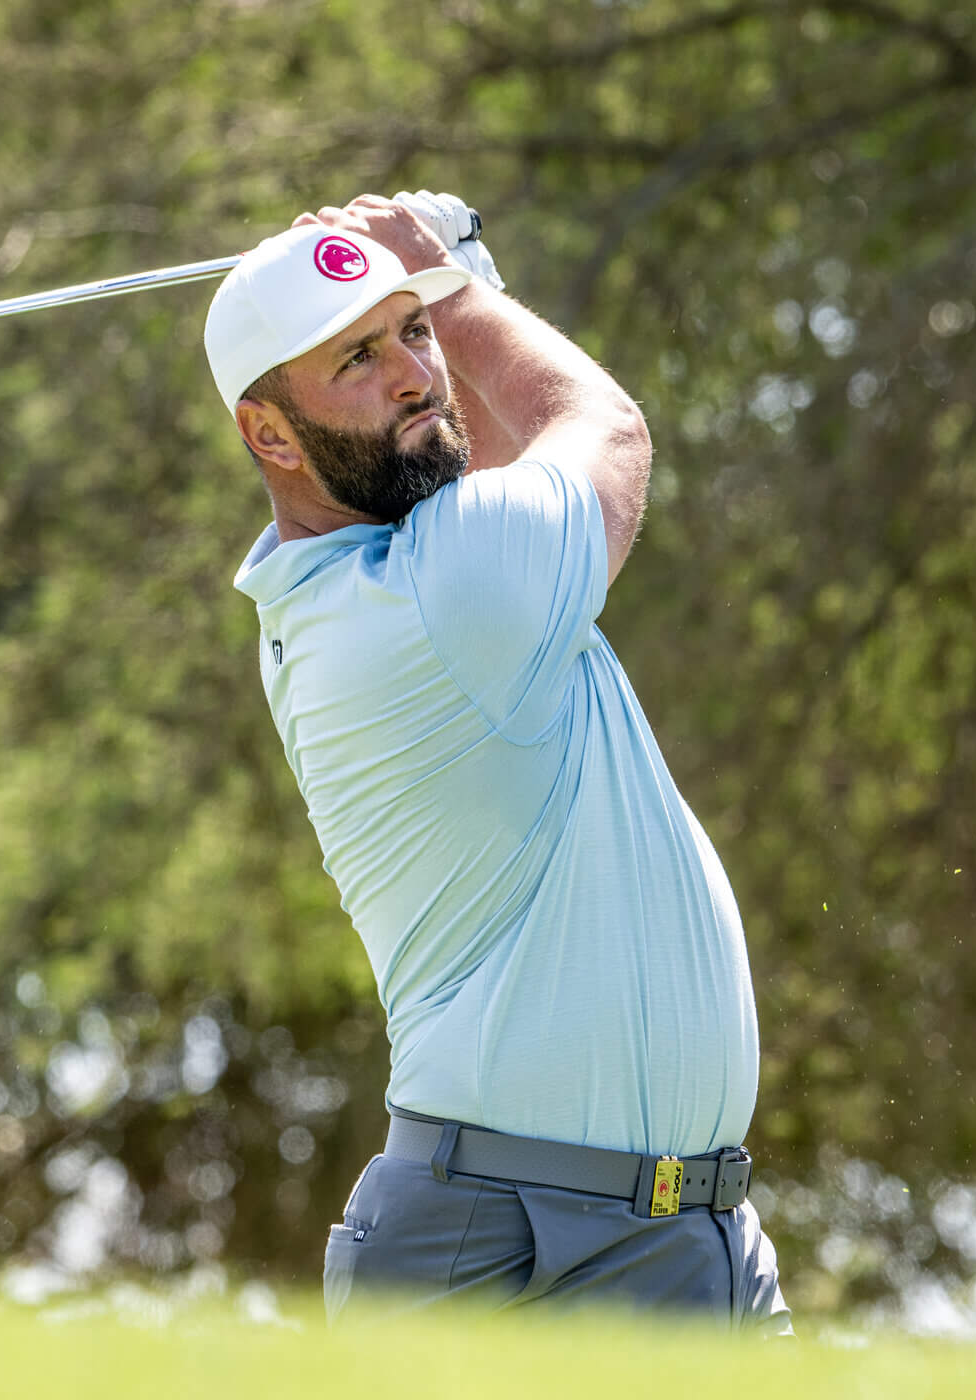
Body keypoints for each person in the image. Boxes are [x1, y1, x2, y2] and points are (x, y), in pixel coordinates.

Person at [204, 191, 788, 1332]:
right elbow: (603, 429)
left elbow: (480, 461)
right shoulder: (441, 595)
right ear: (269, 434)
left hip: (670, 1231)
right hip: (528, 1243)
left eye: (414, 333)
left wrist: (449, 283)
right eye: (356, 358)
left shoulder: (376, 580)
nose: (413, 374)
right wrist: (457, 283)